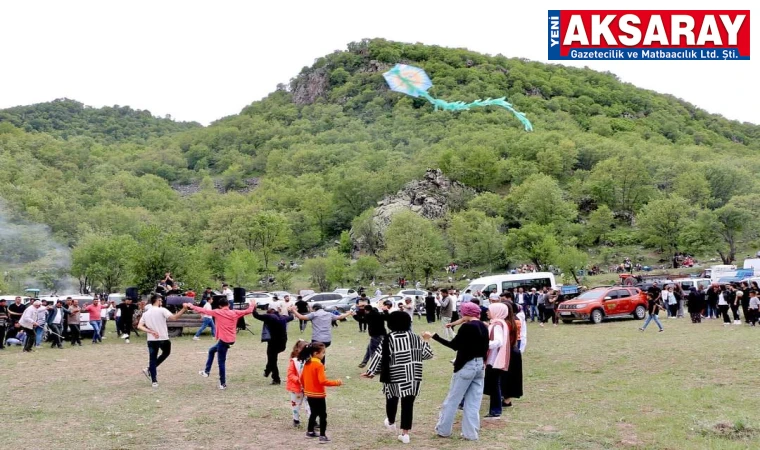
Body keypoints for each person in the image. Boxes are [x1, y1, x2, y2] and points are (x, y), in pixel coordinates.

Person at [363, 311, 434, 445]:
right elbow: (427, 355)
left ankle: (390, 421)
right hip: (413, 377)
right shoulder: (415, 337)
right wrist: (425, 340)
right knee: (408, 405)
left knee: (391, 399)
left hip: (394, 376)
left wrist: (370, 372)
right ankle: (405, 434)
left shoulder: (389, 338)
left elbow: (379, 356)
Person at [427, 301, 489, 441]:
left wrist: (434, 336)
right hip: (479, 365)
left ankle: (443, 430)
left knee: (452, 400)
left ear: (465, 313)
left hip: (466, 366)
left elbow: (454, 345)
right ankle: (471, 433)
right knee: (473, 402)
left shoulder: (467, 327)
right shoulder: (483, 326)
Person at [188, 298, 255, 390]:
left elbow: (204, 310)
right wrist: (252, 304)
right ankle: (206, 371)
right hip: (231, 339)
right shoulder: (234, 312)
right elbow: (249, 311)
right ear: (228, 304)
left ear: (219, 306)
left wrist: (191, 306)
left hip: (224, 340)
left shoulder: (218, 312)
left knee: (221, 362)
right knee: (211, 350)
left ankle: (223, 384)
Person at [137, 294, 189, 388]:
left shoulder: (146, 313)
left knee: (152, 359)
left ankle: (154, 381)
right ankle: (149, 370)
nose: (161, 302)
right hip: (163, 338)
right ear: (157, 301)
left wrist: (150, 331)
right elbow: (174, 318)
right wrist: (184, 309)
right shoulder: (162, 310)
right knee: (166, 352)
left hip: (151, 339)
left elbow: (139, 326)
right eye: (160, 300)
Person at [299, 342, 343, 443]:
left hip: (309, 394)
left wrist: (306, 388)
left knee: (313, 413)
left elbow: (301, 378)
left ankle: (310, 432)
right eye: (323, 352)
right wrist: (336, 382)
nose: (324, 355)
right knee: (323, 415)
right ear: (315, 353)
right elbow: (322, 381)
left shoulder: (307, 363)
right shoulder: (319, 365)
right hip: (318, 395)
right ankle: (322, 436)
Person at [253, 306, 294, 385]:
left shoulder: (269, 317)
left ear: (269, 313)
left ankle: (276, 379)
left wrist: (253, 307)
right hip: (283, 343)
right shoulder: (283, 318)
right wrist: (290, 311)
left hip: (273, 343)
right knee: (271, 358)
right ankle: (267, 371)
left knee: (272, 360)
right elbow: (291, 317)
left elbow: (256, 315)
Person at [483, 303, 509, 419]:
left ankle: (495, 410)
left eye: (489, 310)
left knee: (494, 385)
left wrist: (484, 345)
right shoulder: (498, 323)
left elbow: (498, 341)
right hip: (494, 358)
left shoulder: (497, 325)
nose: (487, 312)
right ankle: (495, 410)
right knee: (494, 385)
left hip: (494, 359)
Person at [501, 303, 523, 408]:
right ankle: (507, 399)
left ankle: (506, 399)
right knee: (511, 376)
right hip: (513, 349)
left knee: (505, 376)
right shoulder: (515, 320)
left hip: (506, 351)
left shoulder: (505, 324)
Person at [359, 300, 391, 368]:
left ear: (367, 310)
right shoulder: (380, 315)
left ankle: (375, 366)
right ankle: (364, 362)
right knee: (369, 348)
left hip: (375, 336)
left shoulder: (369, 316)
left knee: (373, 351)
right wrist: (386, 311)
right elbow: (388, 318)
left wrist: (354, 315)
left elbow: (361, 320)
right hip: (383, 335)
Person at [286, 340, 311, 427]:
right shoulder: (294, 361)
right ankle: (296, 419)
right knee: (296, 404)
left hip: (308, 386)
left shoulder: (310, 361)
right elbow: (290, 374)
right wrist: (298, 379)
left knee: (309, 404)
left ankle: (312, 420)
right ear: (298, 350)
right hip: (296, 388)